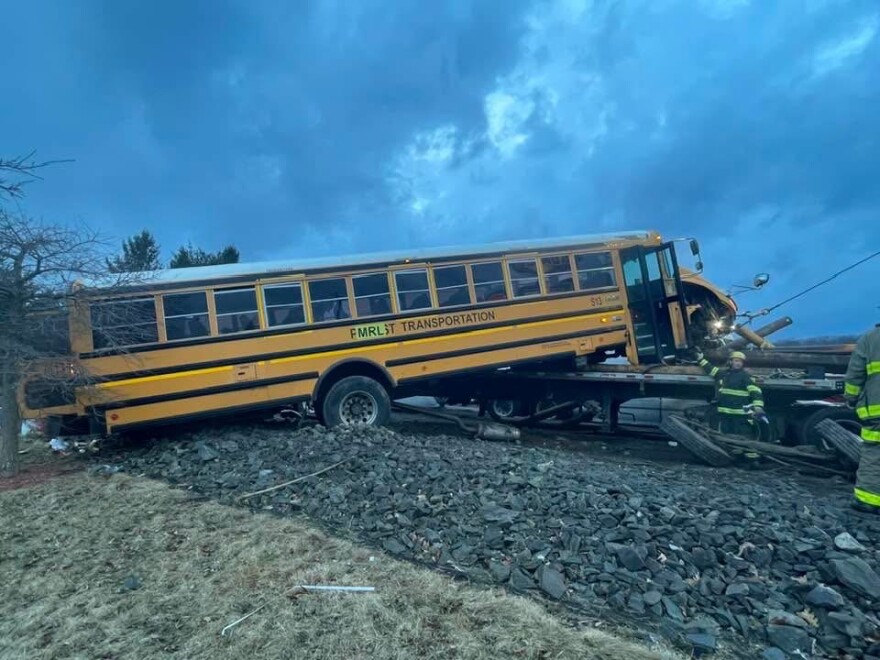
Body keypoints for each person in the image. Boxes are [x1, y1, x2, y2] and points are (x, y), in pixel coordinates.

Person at [844, 323, 880, 513]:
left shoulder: (870, 338)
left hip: (877, 409)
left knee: (874, 454)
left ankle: (869, 500)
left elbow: (855, 373)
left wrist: (851, 397)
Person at [695, 349, 765, 437]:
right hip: (725, 414)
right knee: (727, 436)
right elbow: (711, 369)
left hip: (740, 416)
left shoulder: (746, 377)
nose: (738, 363)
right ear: (730, 362)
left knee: (742, 437)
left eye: (740, 362)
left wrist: (758, 407)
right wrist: (700, 359)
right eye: (736, 361)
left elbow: (755, 392)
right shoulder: (724, 374)